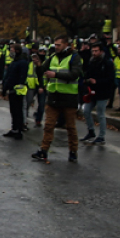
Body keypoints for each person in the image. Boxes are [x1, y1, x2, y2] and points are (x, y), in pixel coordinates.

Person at [31, 35, 83, 163]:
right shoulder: (53, 57)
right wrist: (38, 65)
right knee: (48, 126)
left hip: (69, 97)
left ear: (66, 44)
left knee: (70, 127)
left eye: (59, 45)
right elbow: (43, 70)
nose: (56, 47)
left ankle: (73, 151)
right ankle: (43, 151)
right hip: (54, 97)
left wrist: (55, 74)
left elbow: (76, 74)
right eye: (55, 45)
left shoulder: (74, 57)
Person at [81, 43, 115, 145]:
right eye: (93, 51)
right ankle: (91, 131)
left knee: (100, 114)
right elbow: (87, 74)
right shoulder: (91, 62)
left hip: (103, 92)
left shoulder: (107, 63)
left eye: (96, 51)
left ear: (101, 52)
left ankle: (101, 136)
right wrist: (87, 81)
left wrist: (98, 82)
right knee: (86, 111)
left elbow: (110, 79)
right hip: (92, 92)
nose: (94, 53)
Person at [1, 44, 29, 139]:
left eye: (11, 50)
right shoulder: (14, 62)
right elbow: (9, 77)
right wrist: (5, 89)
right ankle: (14, 128)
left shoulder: (22, 62)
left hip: (18, 91)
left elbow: (21, 77)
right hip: (12, 90)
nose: (10, 52)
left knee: (18, 111)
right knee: (13, 111)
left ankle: (19, 130)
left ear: (17, 51)